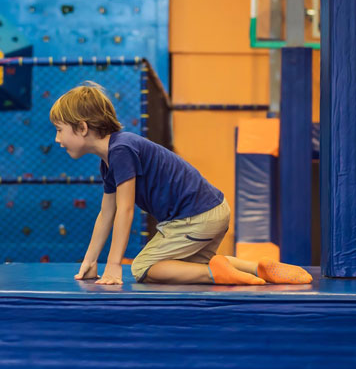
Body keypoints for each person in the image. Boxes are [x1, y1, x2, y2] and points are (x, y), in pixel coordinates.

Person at [49, 81, 312, 286]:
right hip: (208, 212)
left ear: (82, 128)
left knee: (142, 268)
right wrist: (90, 261)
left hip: (194, 217)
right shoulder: (110, 160)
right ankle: (258, 268)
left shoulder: (122, 150)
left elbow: (125, 210)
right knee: (185, 265)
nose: (57, 139)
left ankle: (214, 274)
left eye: (60, 130)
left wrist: (114, 265)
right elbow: (106, 213)